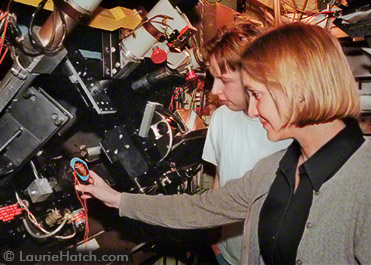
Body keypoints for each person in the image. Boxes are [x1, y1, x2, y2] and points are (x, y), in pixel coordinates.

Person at [76, 23, 370, 265]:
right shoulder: (276, 168)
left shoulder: (363, 183)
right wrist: (116, 199)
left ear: (299, 90)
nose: (252, 111)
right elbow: (202, 208)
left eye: (257, 95)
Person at [202, 22, 291, 265]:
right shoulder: (220, 117)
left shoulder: (288, 128)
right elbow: (221, 181)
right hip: (226, 254)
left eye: (225, 80)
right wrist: (215, 242)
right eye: (212, 78)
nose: (215, 90)